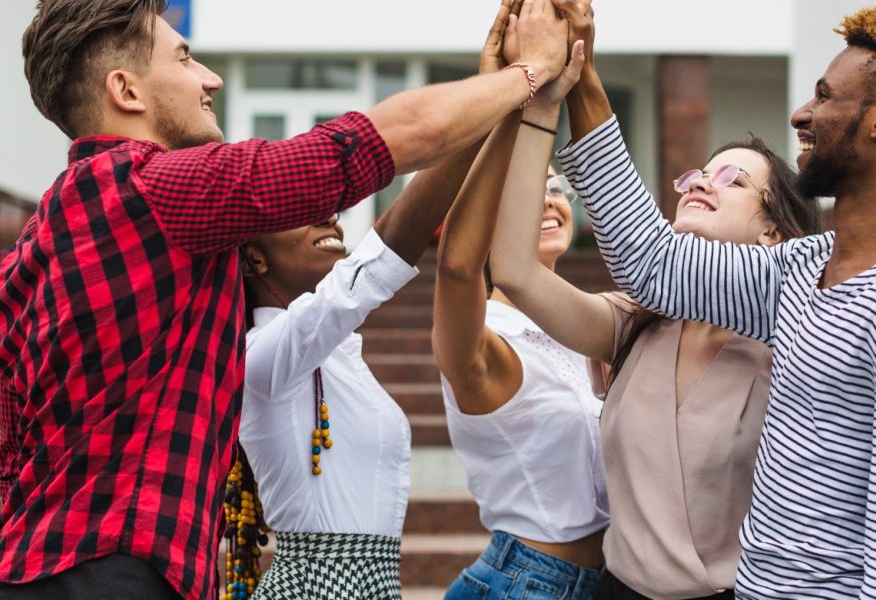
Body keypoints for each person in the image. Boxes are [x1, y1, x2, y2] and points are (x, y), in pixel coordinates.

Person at [0, 0, 571, 598]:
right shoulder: (160, 189)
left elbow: (12, 461)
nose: (211, 77)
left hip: (17, 570)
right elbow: (376, 143)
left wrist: (493, 94)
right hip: (114, 576)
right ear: (126, 90)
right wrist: (529, 72)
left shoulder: (22, 258)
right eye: (184, 58)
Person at [554, 2, 876, 598]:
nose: (801, 114)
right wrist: (581, 72)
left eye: (825, 96)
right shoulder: (804, 268)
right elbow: (651, 263)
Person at [488, 37, 820, 596]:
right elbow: (517, 271)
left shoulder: (794, 337)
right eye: (694, 175)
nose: (698, 185)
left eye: (729, 180)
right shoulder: (638, 321)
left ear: (773, 230)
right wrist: (543, 107)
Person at [225, 7, 536, 599]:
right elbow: (384, 254)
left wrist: (496, 107)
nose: (328, 213)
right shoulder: (262, 357)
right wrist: (494, 96)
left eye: (325, 205)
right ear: (254, 259)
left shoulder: (334, 353)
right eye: (297, 211)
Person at [431, 32, 606, 600]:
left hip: (612, 581)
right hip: (528, 584)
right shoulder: (487, 340)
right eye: (530, 190)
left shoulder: (588, 330)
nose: (549, 201)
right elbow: (457, 269)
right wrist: (511, 98)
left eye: (556, 190)